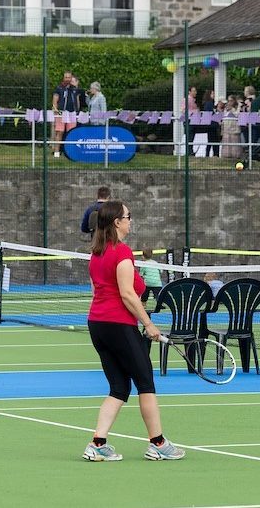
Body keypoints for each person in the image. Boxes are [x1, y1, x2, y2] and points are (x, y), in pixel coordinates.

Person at [83, 200, 185, 462]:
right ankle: (159, 444)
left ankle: (97, 443)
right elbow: (128, 294)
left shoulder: (96, 254)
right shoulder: (122, 253)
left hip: (97, 325)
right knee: (145, 383)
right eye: (129, 216)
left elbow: (97, 292)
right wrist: (148, 324)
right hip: (118, 325)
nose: (131, 220)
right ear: (117, 222)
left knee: (118, 387)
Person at [52, 72, 82, 158]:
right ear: (63, 78)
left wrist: (77, 111)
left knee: (71, 133)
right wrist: (56, 110)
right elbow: (55, 100)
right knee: (60, 132)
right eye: (66, 77)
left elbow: (77, 100)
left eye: (69, 77)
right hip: (61, 112)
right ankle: (57, 152)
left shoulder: (74, 89)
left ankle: (70, 153)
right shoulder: (59, 88)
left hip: (72, 113)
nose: (68, 79)